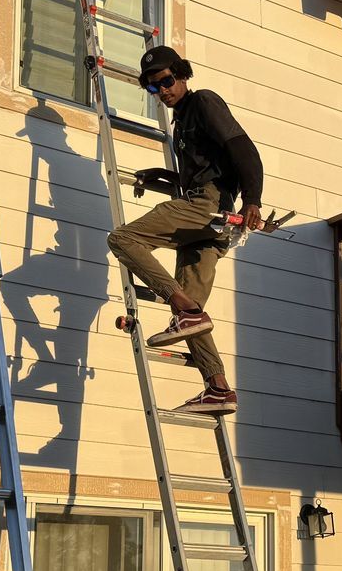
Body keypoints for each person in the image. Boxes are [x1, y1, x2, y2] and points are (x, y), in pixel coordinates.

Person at [107, 44, 265, 416]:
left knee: (122, 238)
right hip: (211, 221)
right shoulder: (182, 123)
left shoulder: (204, 103)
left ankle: (180, 306)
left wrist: (253, 199)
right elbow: (204, 167)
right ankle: (218, 387)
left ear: (182, 73)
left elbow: (244, 150)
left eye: (165, 81)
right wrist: (160, 174)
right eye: (152, 87)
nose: (161, 91)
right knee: (193, 320)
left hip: (208, 208)